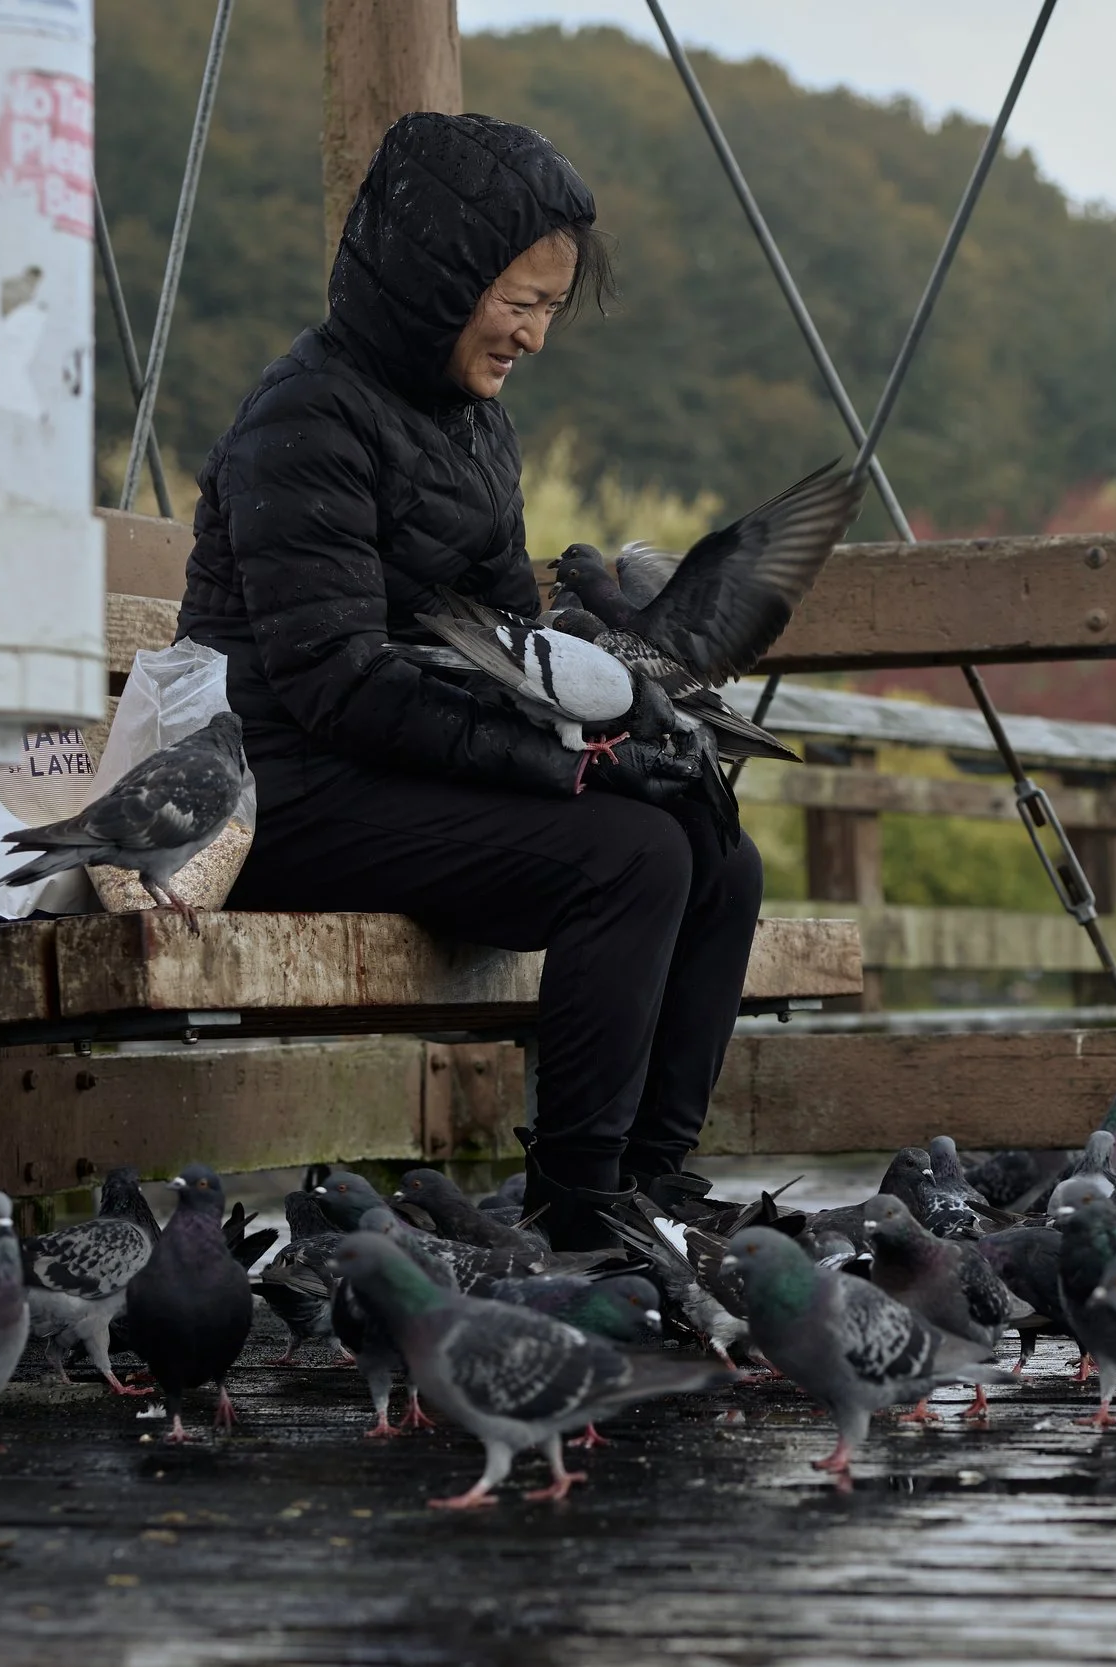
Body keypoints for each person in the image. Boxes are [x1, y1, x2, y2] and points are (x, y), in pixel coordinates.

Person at [181, 113, 761, 1250]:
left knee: (715, 850)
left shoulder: (475, 429)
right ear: (435, 277)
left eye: (548, 308)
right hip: (283, 788)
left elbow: (510, 636)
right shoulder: (306, 419)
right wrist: (568, 764)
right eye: (521, 303)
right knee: (627, 856)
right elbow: (336, 683)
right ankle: (580, 1201)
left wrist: (634, 734)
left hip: (395, 774)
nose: (535, 337)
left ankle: (651, 1181)